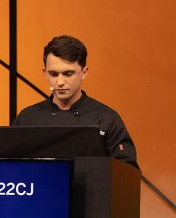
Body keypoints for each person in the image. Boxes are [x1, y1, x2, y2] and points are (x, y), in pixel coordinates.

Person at [12, 34, 138, 168]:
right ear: (45, 73)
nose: (60, 82)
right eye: (53, 74)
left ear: (84, 72)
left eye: (68, 74)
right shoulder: (27, 118)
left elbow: (127, 172)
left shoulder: (107, 119)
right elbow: (6, 166)